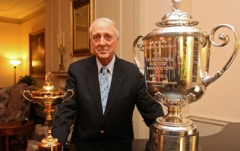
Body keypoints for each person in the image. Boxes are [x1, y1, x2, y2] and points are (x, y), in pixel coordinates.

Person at [52, 17, 164, 149]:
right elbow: (66, 111)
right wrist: (56, 144)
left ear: (116, 41)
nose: (102, 42)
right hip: (84, 146)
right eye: (96, 37)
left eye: (107, 37)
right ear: (91, 42)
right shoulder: (77, 70)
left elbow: (151, 111)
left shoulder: (132, 73)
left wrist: (165, 139)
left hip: (121, 146)